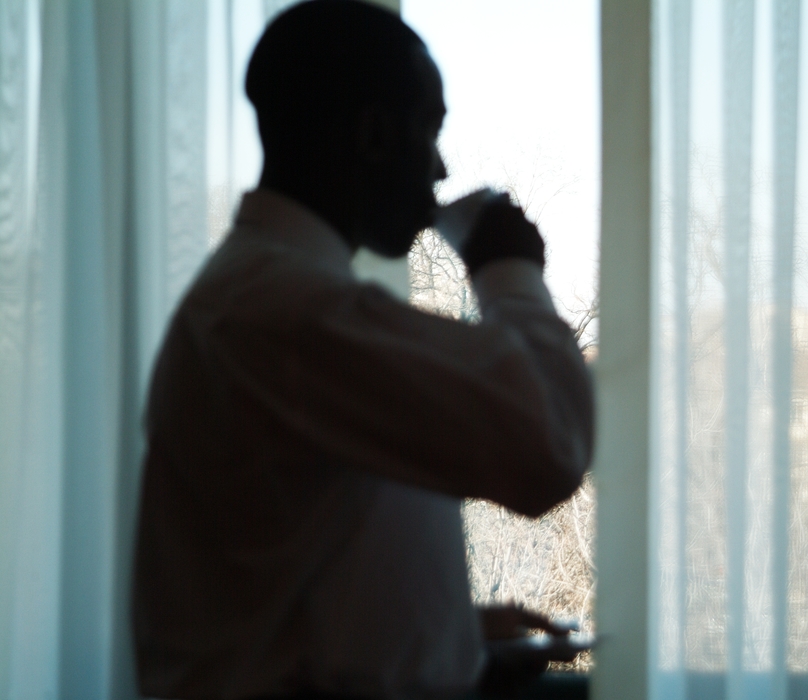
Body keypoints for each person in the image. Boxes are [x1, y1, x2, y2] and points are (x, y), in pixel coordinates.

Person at [131, 1, 594, 699]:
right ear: (375, 135)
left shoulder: (258, 301)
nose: (438, 166)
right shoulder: (290, 315)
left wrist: (450, 634)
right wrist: (510, 272)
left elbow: (290, 578)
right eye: (429, 129)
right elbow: (548, 448)